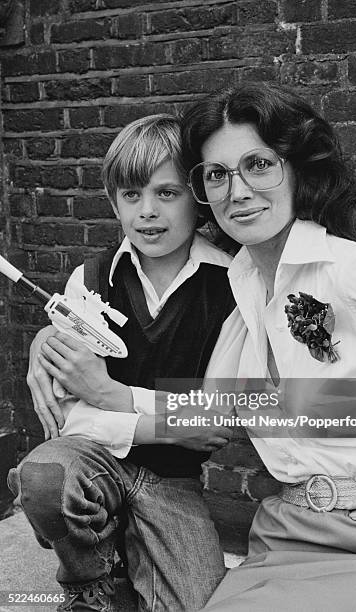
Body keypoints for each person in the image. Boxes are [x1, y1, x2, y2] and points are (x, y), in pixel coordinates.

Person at [180, 81, 356, 611]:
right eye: (217, 174)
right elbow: (201, 409)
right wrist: (57, 340)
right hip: (284, 534)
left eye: (258, 165)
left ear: (299, 167)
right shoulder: (241, 285)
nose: (236, 191)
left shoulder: (354, 271)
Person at [8, 114, 244, 612]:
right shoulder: (89, 279)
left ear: (196, 197)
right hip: (92, 462)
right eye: (131, 195)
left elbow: (213, 424)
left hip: (172, 481)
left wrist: (109, 396)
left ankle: (133, 548)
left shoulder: (231, 288)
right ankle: (91, 576)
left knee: (197, 604)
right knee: (46, 476)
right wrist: (169, 422)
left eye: (167, 193)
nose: (148, 213)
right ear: (114, 201)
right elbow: (67, 419)